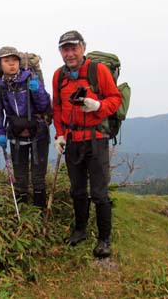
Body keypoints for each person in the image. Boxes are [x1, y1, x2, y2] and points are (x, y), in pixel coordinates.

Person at [52, 30, 122, 258]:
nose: (69, 53)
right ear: (61, 51)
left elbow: (115, 99)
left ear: (83, 47)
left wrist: (97, 106)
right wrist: (59, 134)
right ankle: (80, 230)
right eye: (65, 49)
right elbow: (58, 107)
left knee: (100, 192)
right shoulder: (59, 76)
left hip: (96, 139)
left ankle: (104, 239)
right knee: (78, 190)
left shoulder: (98, 70)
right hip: (72, 140)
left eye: (73, 48)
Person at [0, 46, 51, 209]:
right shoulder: (1, 86)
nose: (11, 64)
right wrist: (0, 133)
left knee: (38, 177)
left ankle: (40, 212)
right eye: (6, 61)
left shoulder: (30, 78)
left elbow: (44, 104)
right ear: (0, 64)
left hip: (38, 132)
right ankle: (23, 213)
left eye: (14, 60)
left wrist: (37, 89)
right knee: (20, 177)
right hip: (15, 134)